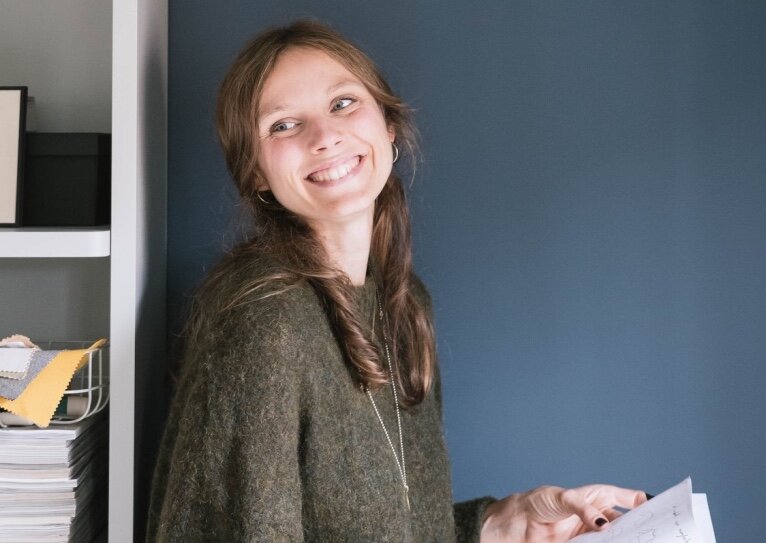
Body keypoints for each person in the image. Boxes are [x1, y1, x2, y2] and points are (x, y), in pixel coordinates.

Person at [146, 19, 647, 542]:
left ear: (388, 125)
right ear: (253, 171)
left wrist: (506, 523)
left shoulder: (405, 305)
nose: (325, 137)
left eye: (342, 103)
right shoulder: (264, 320)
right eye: (284, 125)